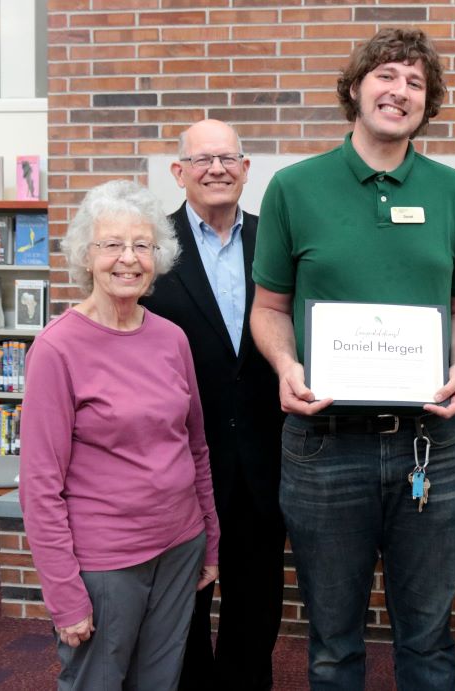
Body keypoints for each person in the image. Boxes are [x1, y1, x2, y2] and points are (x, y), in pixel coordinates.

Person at [250, 28, 455, 690]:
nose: (400, 91)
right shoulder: (294, 188)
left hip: (431, 445)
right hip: (324, 446)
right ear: (355, 87)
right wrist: (287, 367)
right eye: (387, 75)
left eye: (416, 82)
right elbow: (269, 307)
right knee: (331, 642)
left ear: (428, 102)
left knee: (429, 638)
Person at [19, 179, 220, 689]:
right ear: (86, 256)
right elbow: (40, 486)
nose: (127, 258)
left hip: (180, 549)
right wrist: (64, 595)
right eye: (111, 244)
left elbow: (195, 447)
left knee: (159, 683)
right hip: (105, 563)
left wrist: (210, 541)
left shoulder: (171, 338)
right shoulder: (56, 349)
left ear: (158, 256)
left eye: (142, 245)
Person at [141, 119, 285, 690]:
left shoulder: (275, 241)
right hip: (180, 462)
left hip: (263, 458)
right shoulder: (153, 249)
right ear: (179, 172)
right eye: (202, 160)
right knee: (185, 609)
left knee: (257, 604)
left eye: (228, 159)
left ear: (247, 170)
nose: (217, 169)